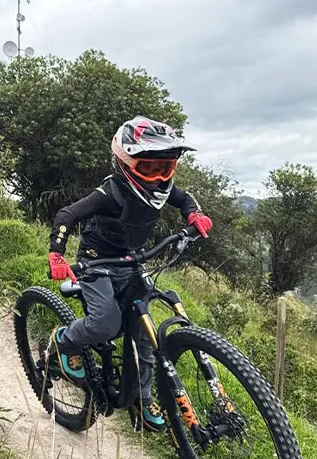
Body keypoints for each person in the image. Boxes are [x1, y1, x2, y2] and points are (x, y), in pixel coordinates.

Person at [47, 116, 213, 432]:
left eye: (165, 169)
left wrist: (195, 214)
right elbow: (68, 214)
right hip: (96, 262)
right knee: (105, 323)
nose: (158, 178)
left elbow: (184, 198)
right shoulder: (111, 192)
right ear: (126, 163)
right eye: (149, 168)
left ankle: (141, 396)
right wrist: (57, 253)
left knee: (144, 332)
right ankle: (63, 342)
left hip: (132, 261)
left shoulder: (166, 187)